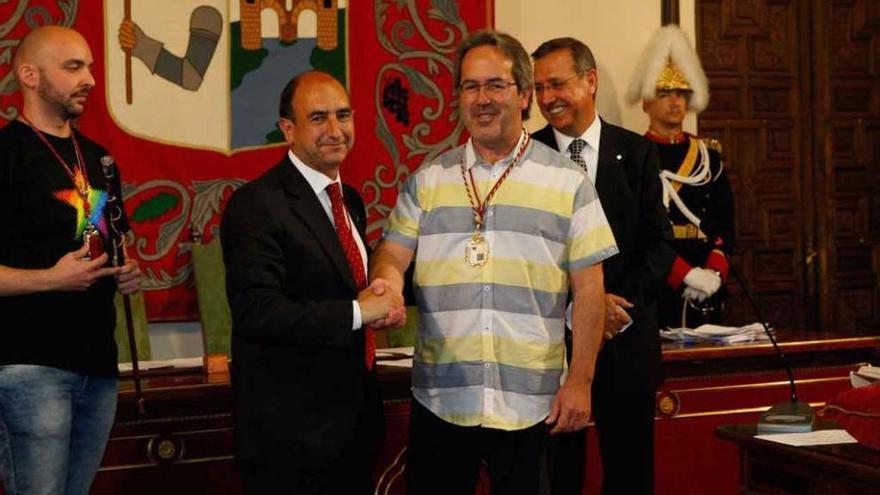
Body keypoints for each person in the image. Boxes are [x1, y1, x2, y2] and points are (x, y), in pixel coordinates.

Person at [370, 30, 618, 495]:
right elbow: (392, 253)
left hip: (532, 406)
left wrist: (581, 383)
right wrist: (387, 280)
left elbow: (589, 291)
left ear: (524, 95)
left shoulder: (569, 184)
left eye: (495, 85)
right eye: (470, 86)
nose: (481, 99)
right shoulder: (429, 181)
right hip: (442, 400)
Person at [221, 70, 403, 494]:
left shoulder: (350, 200)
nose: (335, 130)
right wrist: (360, 312)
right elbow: (257, 312)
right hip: (290, 440)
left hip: (353, 427)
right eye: (318, 118)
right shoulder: (256, 204)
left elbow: (343, 286)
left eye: (343, 115)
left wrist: (381, 305)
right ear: (288, 129)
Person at [0, 26, 142, 495]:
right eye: (73, 67)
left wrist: (124, 267)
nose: (90, 80)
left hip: (98, 364)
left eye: (91, 67)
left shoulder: (98, 159)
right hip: (29, 365)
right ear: (30, 75)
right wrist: (50, 279)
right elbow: (56, 272)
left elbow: (96, 236)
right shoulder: (5, 155)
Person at [531, 37, 676, 495]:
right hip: (550, 348)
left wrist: (613, 305)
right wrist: (581, 302)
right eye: (538, 87)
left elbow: (659, 247)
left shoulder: (636, 153)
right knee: (556, 476)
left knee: (630, 473)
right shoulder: (525, 155)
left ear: (590, 81)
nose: (547, 98)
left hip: (624, 341)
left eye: (557, 83)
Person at [626, 25, 735, 329]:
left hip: (708, 285)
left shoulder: (707, 157)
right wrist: (683, 275)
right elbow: (637, 234)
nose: (675, 102)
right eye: (664, 94)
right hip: (659, 284)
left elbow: (724, 224)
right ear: (647, 101)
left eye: (681, 94)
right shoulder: (634, 156)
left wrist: (713, 274)